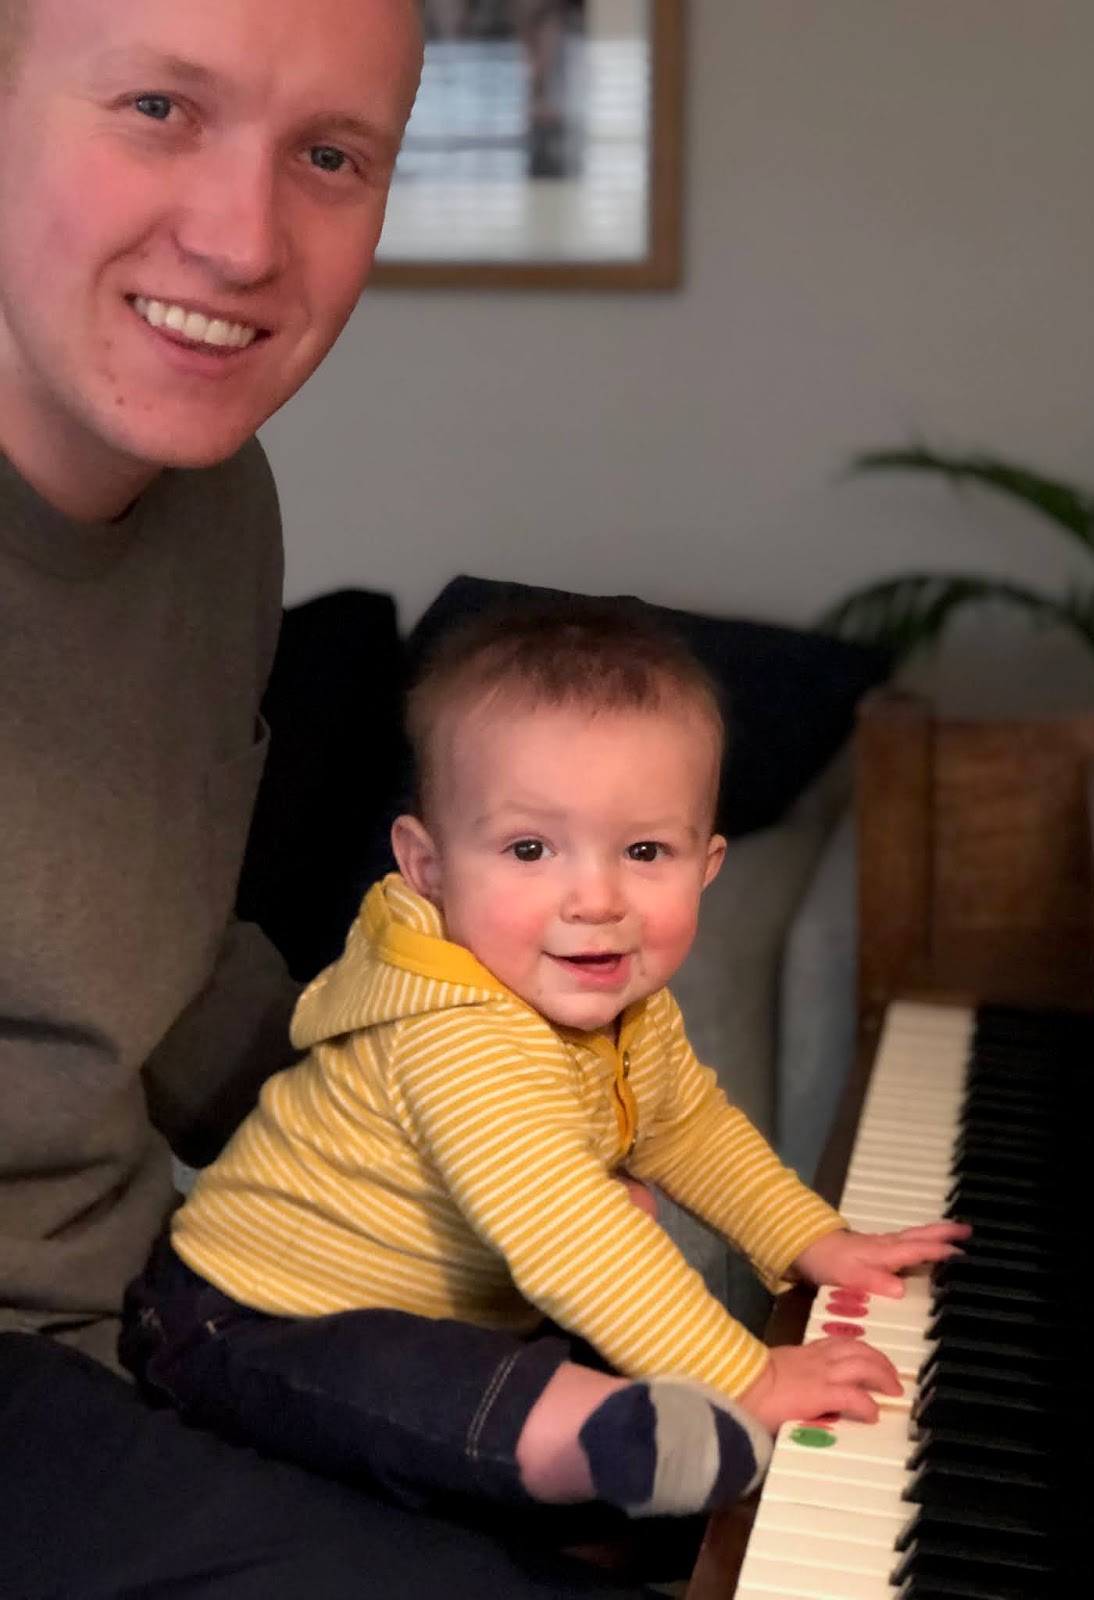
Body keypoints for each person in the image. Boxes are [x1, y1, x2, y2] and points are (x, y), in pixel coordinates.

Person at [0, 0, 653, 1594]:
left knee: (661, 1493)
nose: (242, 241)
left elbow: (164, 962)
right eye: (159, 108)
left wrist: (454, 1130)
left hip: (140, 1308)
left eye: (331, 156)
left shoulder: (216, 509)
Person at [123, 599, 970, 1522]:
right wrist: (749, 1378)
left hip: (442, 1315)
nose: (596, 899)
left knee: (536, 1349)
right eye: (530, 849)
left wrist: (810, 1239)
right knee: (438, 1379)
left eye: (645, 850)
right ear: (428, 866)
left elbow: (690, 1131)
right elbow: (573, 1236)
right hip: (251, 1323)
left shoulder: (627, 1008)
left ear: (707, 864)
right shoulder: (455, 1034)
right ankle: (609, 1451)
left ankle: (631, 1461)